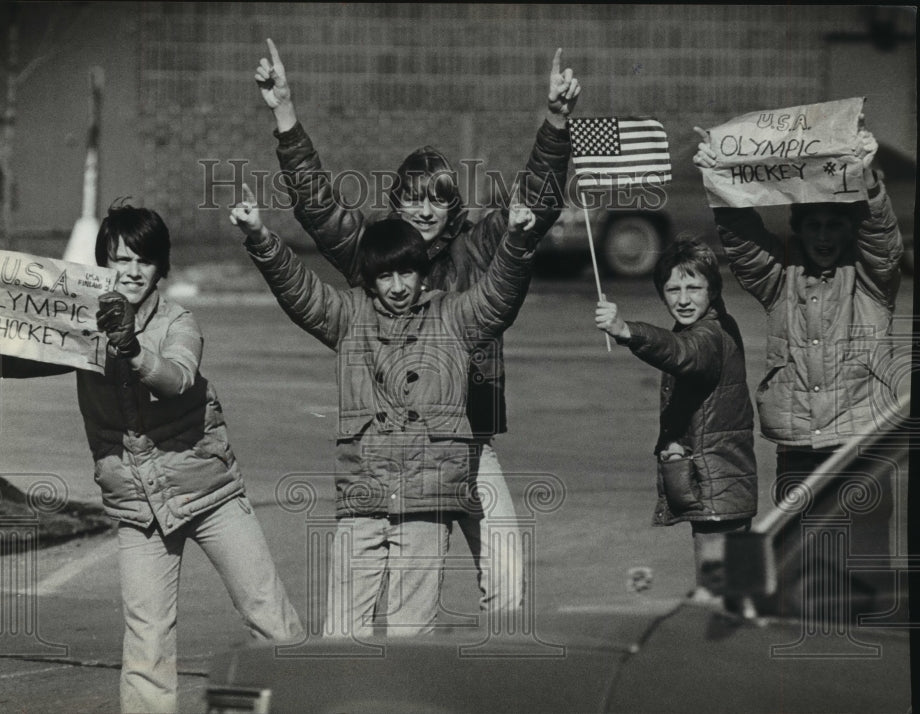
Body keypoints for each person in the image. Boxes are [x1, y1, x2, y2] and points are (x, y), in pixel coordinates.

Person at [0, 204, 304, 714]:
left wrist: (131, 349)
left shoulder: (179, 321)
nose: (130, 271)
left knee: (268, 613)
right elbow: (8, 360)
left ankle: (310, 700)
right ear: (100, 266)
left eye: (143, 261)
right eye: (119, 259)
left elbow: (177, 378)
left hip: (209, 492)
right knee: (147, 638)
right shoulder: (81, 323)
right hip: (138, 508)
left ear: (161, 269)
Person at [253, 38, 579, 616]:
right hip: (396, 455)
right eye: (413, 199)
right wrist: (285, 115)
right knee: (395, 611)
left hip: (472, 443)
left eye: (437, 199)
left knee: (506, 585)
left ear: (452, 205)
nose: (425, 211)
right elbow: (320, 210)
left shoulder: (478, 249)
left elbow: (536, 204)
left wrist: (555, 121)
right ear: (397, 203)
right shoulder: (374, 256)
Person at [230, 184, 541, 637]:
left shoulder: (452, 316)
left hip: (425, 504)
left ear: (422, 274)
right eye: (385, 277)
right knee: (342, 635)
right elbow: (299, 292)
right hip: (363, 498)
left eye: (407, 274)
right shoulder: (349, 316)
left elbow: (499, 298)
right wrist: (259, 235)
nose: (397, 287)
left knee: (409, 636)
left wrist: (516, 242)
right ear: (370, 280)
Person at [692, 124, 903, 501]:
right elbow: (744, 243)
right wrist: (717, 180)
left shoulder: (872, 280)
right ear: (799, 230)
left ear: (849, 229)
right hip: (797, 446)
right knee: (797, 555)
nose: (823, 236)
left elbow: (881, 238)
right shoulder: (779, 279)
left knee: (861, 551)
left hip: (860, 443)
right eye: (813, 226)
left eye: (834, 225)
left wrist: (867, 178)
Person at [595, 239, 757, 592]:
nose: (683, 299)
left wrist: (627, 331)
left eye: (694, 287)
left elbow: (685, 354)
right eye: (673, 289)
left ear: (712, 289)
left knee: (722, 603)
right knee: (741, 601)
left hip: (719, 496)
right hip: (724, 490)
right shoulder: (711, 325)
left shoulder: (710, 335)